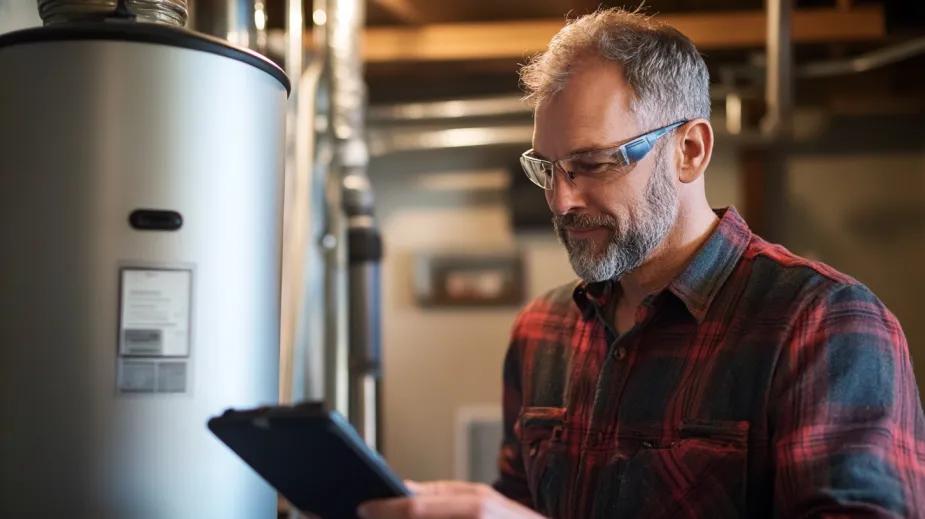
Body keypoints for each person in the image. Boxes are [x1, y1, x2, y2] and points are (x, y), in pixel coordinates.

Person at [358, 8, 925, 519]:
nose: (561, 200)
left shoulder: (824, 325)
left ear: (690, 151)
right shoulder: (542, 331)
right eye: (548, 168)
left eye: (594, 163)